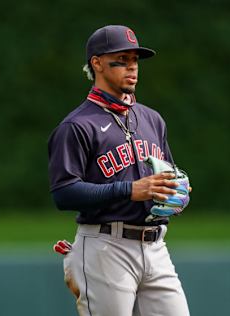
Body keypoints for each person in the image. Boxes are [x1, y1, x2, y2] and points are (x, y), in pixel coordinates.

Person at [47, 25, 190, 316]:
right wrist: (130, 190)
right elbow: (63, 192)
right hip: (105, 247)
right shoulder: (77, 126)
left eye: (134, 61)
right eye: (121, 60)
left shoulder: (152, 119)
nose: (132, 68)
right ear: (96, 63)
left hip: (155, 246)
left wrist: (176, 191)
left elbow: (167, 174)